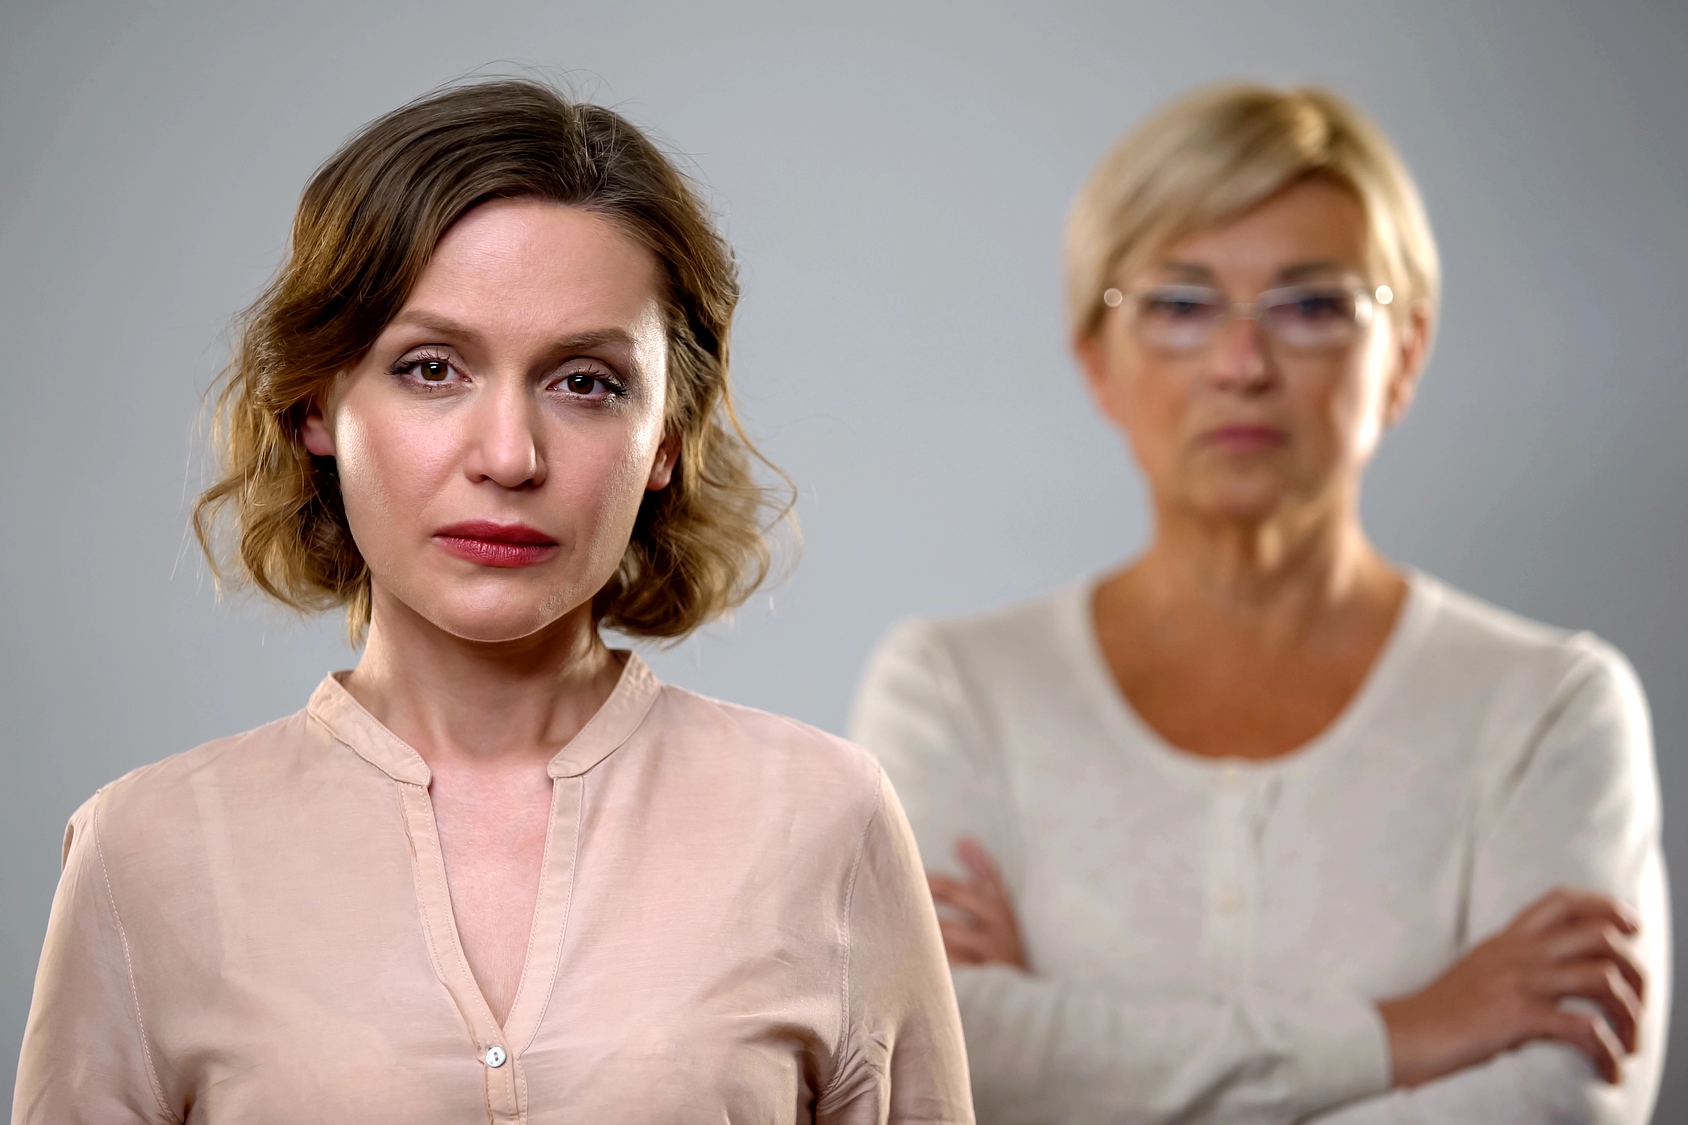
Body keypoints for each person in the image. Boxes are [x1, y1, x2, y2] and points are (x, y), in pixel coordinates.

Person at [14, 79, 971, 1125]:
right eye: (432, 369)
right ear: (315, 407)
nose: (509, 457)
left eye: (586, 382)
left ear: (666, 439)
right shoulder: (144, 853)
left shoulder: (824, 821)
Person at [850, 83, 1668, 1123]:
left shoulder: (1551, 705)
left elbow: (1557, 1102)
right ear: (1098, 361)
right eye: (1180, 306)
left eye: (1312, 306)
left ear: (1403, 354)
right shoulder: (950, 689)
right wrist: (1408, 1031)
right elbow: (931, 1062)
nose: (1242, 365)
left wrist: (1062, 1055)